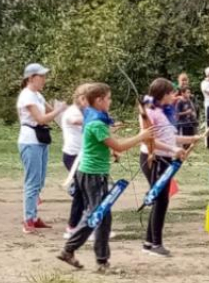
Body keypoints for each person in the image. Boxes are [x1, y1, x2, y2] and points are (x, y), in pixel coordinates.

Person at [56, 83, 153, 271]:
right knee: (99, 215)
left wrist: (110, 152)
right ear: (99, 100)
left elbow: (103, 145)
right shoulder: (96, 123)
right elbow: (118, 145)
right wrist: (141, 136)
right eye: (108, 98)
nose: (110, 101)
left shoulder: (94, 118)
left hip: (91, 172)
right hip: (93, 175)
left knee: (97, 214)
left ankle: (76, 253)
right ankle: (95, 259)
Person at [140, 78, 202, 257]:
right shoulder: (150, 112)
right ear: (162, 94)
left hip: (165, 158)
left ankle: (149, 242)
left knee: (161, 199)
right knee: (160, 200)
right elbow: (149, 140)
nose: (173, 96)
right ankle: (156, 244)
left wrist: (190, 140)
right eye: (170, 93)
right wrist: (173, 149)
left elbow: (169, 137)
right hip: (154, 159)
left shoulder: (164, 111)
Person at [17, 63, 66, 234]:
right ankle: (28, 219)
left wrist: (67, 114)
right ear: (31, 78)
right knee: (32, 181)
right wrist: (59, 110)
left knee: (40, 180)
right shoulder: (26, 96)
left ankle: (34, 217)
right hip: (30, 141)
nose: (44, 80)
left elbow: (52, 113)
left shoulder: (37, 95)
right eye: (41, 76)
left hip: (40, 140)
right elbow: (41, 119)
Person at [59, 84, 89, 238]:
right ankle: (74, 227)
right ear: (81, 98)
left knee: (84, 190)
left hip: (84, 155)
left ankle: (82, 225)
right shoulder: (73, 111)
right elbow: (75, 121)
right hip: (73, 156)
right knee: (82, 191)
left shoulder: (86, 112)